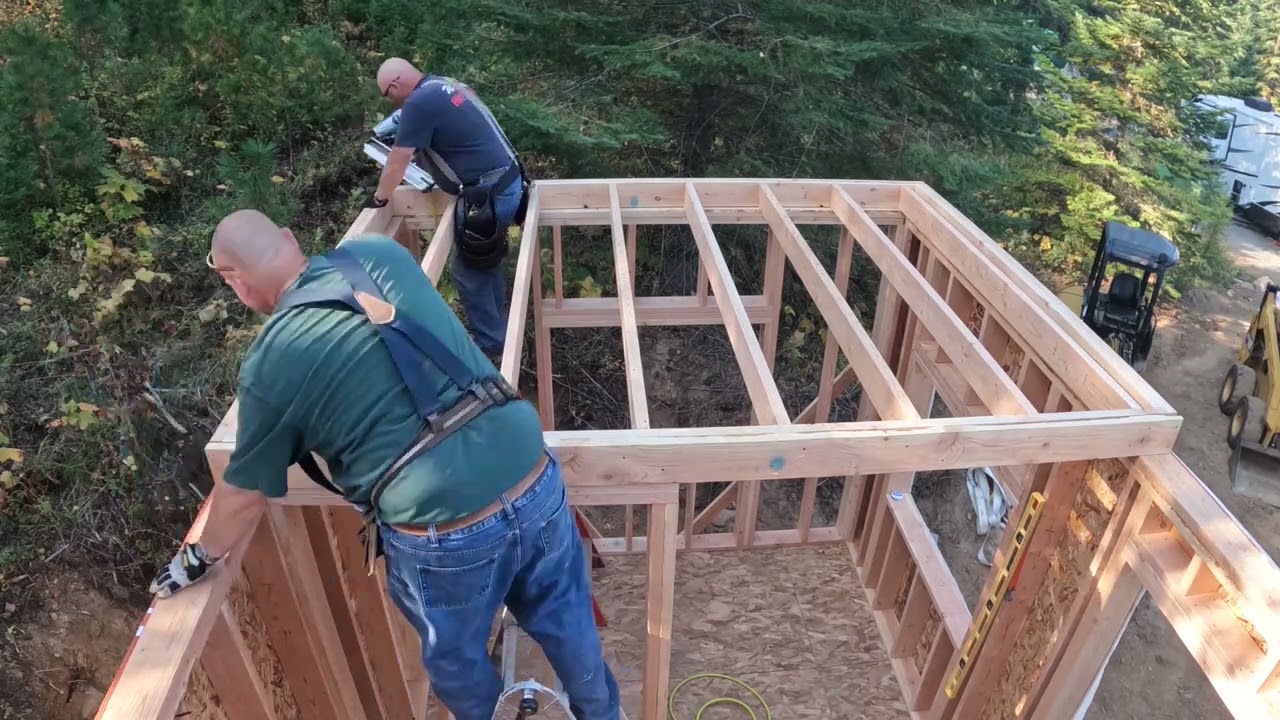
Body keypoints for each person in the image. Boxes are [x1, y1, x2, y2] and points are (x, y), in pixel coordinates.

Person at [149, 209, 620, 720]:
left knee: (457, 660)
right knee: (567, 618)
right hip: (531, 474)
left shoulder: (273, 359)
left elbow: (242, 496)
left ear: (233, 280)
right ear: (290, 238)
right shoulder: (378, 255)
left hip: (446, 529)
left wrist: (196, 559)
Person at [368, 57, 528, 365]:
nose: (392, 102)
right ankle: (498, 327)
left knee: (466, 269)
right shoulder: (444, 85)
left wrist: (379, 198)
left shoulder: (419, 102)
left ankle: (491, 343)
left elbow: (399, 159)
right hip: (507, 182)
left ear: (395, 84)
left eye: (388, 95)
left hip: (491, 194)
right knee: (484, 260)